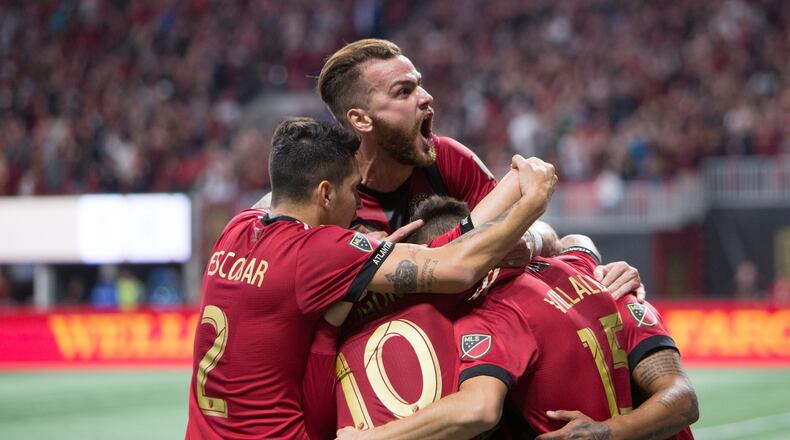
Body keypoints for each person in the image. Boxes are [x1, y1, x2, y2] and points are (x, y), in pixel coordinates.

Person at [185, 117, 557, 439]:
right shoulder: (318, 251)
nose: (359, 203)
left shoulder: (238, 228)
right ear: (325, 193)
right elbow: (455, 267)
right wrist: (531, 205)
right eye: (352, 189)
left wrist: (360, 264)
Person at [336, 201, 698, 440]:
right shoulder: (595, 273)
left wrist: (368, 438)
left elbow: (478, 409)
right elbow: (684, 401)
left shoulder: (491, 315)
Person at [316, 38, 643, 298]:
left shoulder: (446, 158)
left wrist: (534, 240)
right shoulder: (325, 194)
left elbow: (544, 236)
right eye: (404, 91)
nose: (427, 97)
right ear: (360, 119)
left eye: (419, 84)